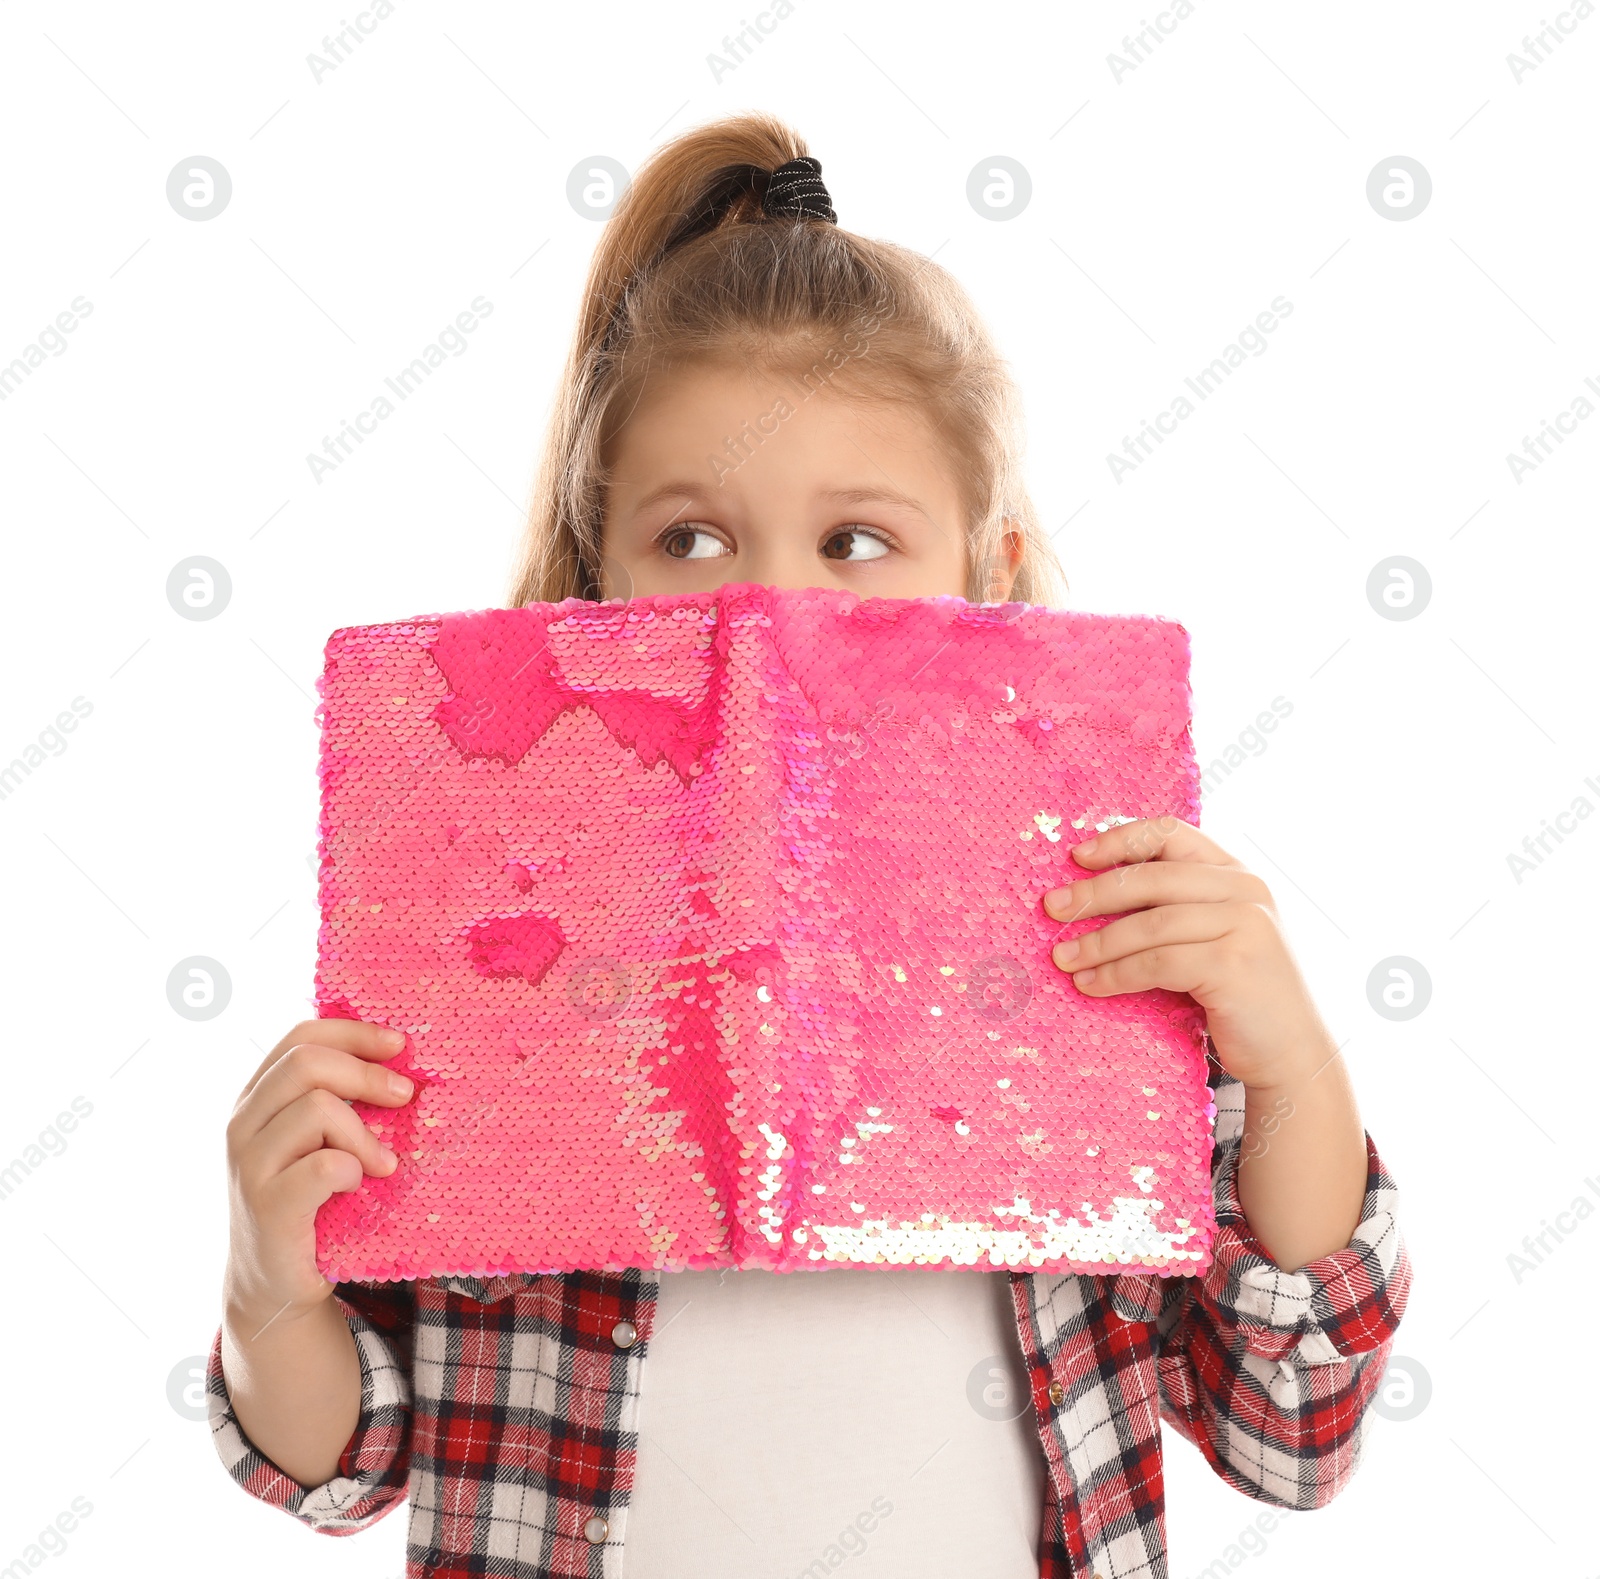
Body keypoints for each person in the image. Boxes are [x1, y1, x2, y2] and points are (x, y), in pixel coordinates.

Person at [208, 111, 1409, 1579]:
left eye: (855, 541)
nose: (768, 609)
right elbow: (350, 1463)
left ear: (990, 576)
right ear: (598, 584)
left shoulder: (1108, 917)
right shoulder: (491, 932)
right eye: (693, 539)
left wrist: (1289, 1060)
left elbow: (1293, 1428)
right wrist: (272, 1286)